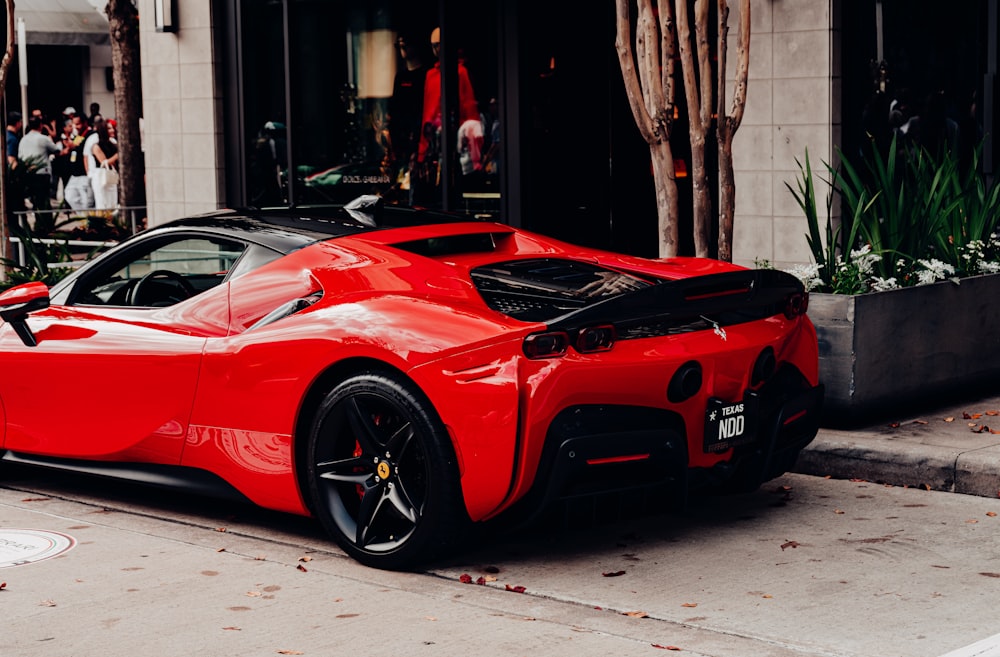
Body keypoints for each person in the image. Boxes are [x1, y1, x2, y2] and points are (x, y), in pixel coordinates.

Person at [417, 27, 483, 174]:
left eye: (438, 45)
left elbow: (469, 108)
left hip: (454, 141)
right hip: (433, 142)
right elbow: (426, 113)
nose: (436, 49)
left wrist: (474, 151)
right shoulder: (431, 75)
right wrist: (422, 151)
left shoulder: (460, 72)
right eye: (434, 46)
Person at [17, 115, 63, 216]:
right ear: (41, 125)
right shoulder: (43, 138)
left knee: (35, 200)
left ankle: (38, 223)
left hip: (28, 173)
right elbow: (57, 150)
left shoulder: (23, 140)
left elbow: (20, 157)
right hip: (42, 173)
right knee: (43, 201)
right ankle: (45, 224)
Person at [64, 114, 95, 211]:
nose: (75, 127)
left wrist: (74, 147)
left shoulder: (91, 135)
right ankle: (83, 218)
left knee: (86, 201)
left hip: (84, 174)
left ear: (85, 123)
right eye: (74, 124)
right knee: (70, 196)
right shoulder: (78, 136)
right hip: (74, 174)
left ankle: (89, 221)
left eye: (78, 124)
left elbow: (83, 150)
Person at [91, 118, 119, 209]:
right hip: (101, 176)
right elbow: (103, 162)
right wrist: (117, 156)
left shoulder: (113, 143)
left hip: (111, 175)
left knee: (112, 202)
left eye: (112, 128)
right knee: (102, 202)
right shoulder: (96, 146)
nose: (112, 130)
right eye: (109, 128)